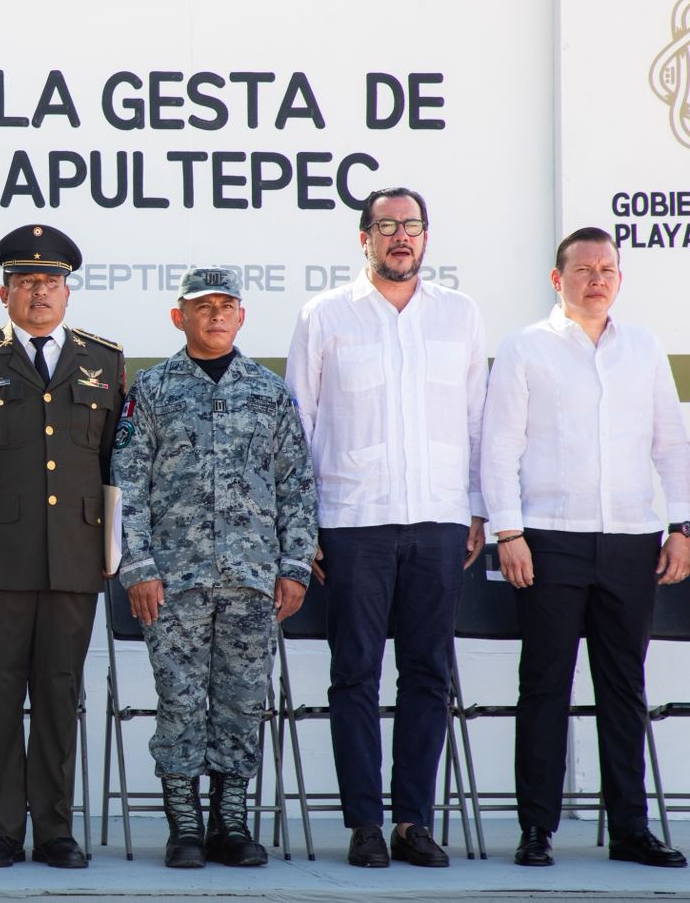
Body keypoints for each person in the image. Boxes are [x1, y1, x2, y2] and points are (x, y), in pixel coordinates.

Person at [285, 187, 487, 869]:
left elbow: (476, 421)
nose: (401, 236)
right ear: (363, 237)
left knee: (429, 674)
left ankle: (412, 822)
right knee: (355, 677)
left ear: (426, 237)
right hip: (352, 524)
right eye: (387, 226)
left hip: (437, 522)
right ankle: (364, 825)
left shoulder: (458, 316)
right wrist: (301, 526)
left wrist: (478, 508)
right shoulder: (326, 316)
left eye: (413, 226)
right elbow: (297, 429)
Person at [481, 227, 689, 869]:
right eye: (583, 270)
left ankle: (630, 828)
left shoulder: (645, 349)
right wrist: (507, 532)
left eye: (607, 269)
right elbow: (500, 447)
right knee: (543, 685)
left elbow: (670, 444)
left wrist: (681, 525)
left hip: (631, 540)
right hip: (547, 540)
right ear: (557, 278)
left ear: (619, 279)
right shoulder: (525, 350)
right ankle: (536, 829)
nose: (596, 279)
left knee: (623, 687)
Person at [0, 223, 125, 870]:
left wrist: (113, 551)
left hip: (74, 558)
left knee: (58, 699)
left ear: (68, 292)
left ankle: (55, 832)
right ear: (4, 292)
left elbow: (112, 470)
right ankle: (0, 834)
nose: (39, 293)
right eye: (25, 283)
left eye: (50, 283)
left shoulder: (104, 362)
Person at [111, 267, 316, 868]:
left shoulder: (269, 391)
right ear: (180, 316)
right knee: (179, 701)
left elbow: (296, 486)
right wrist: (139, 566)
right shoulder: (151, 390)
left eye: (227, 306)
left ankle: (230, 822)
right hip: (172, 581)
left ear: (242, 316)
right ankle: (183, 825)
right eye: (203, 307)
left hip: (253, 578)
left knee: (242, 700)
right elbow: (128, 485)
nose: (216, 316)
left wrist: (295, 564)